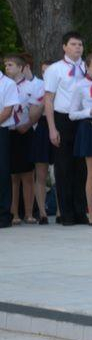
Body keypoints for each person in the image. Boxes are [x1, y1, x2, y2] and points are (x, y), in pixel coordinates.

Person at [43, 31, 87, 226]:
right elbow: (48, 100)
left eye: (80, 44)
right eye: (74, 44)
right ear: (64, 47)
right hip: (62, 119)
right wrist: (52, 128)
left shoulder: (87, 67)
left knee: (82, 167)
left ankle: (81, 211)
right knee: (63, 168)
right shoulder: (55, 70)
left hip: (83, 119)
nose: (78, 47)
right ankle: (66, 214)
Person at [69, 52, 92, 225]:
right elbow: (72, 114)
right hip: (88, 128)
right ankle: (91, 213)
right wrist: (90, 111)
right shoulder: (79, 86)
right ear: (87, 67)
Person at [5, 54, 36, 225]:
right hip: (10, 131)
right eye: (5, 65)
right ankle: (14, 212)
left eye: (10, 65)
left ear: (20, 67)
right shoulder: (4, 86)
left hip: (25, 131)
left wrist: (29, 122)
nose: (7, 68)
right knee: (13, 176)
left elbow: (36, 107)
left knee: (28, 174)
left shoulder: (30, 87)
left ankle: (29, 213)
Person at [27, 59, 52, 224]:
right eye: (44, 72)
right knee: (41, 173)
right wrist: (44, 101)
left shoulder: (63, 88)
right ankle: (42, 212)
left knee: (60, 173)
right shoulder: (37, 88)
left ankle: (61, 211)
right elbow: (31, 116)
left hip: (58, 124)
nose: (47, 74)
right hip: (42, 127)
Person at [0, 66, 20, 229]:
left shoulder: (7, 84)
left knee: (2, 172)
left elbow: (7, 111)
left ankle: (4, 215)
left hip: (1, 131)